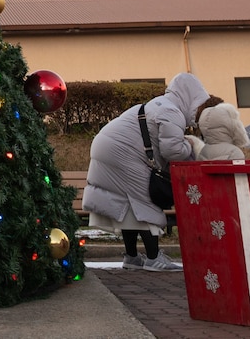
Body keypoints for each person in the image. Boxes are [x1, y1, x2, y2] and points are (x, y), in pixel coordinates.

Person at [83, 72, 208, 271]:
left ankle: (132, 257)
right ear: (189, 95)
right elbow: (173, 150)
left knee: (126, 205)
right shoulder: (172, 111)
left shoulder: (160, 104)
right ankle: (153, 258)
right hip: (122, 153)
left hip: (105, 146)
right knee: (145, 202)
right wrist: (191, 146)